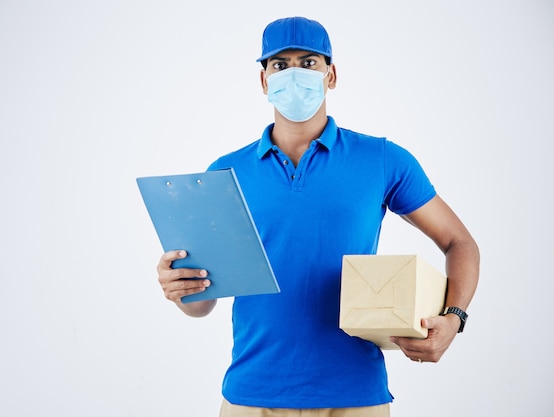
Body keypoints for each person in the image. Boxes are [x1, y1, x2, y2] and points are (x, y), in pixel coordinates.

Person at [156, 16, 479, 417]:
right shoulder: (224, 174)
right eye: (280, 64)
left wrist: (454, 319)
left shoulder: (381, 159)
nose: (294, 74)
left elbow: (459, 242)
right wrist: (182, 290)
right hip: (252, 395)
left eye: (308, 63)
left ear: (331, 74)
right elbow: (203, 303)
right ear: (263, 81)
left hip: (356, 395)